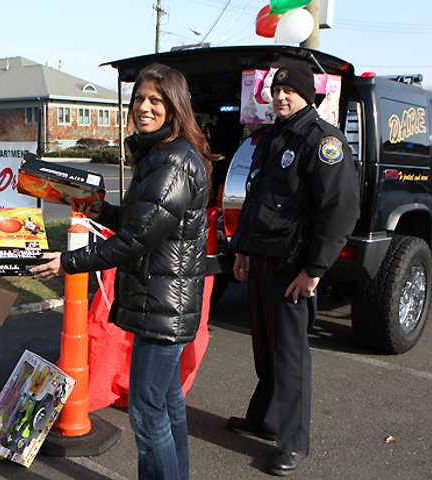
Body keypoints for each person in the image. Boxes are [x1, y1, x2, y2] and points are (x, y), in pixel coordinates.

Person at [31, 63, 215, 480]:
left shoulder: (172, 160)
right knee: (166, 406)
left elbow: (137, 238)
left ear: (174, 105)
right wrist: (99, 209)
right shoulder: (163, 154)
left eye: (155, 100)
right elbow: (145, 219)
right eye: (139, 100)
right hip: (162, 301)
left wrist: (68, 261)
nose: (144, 108)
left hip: (162, 307)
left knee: (149, 417)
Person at [227, 60, 360, 476]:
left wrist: (314, 269)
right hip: (263, 261)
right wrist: (242, 250)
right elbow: (255, 200)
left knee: (290, 358)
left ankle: (293, 441)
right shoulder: (271, 138)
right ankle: (263, 420)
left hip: (293, 269)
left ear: (308, 95)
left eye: (290, 91)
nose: (281, 97)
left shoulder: (324, 141)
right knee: (265, 350)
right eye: (276, 91)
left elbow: (339, 212)